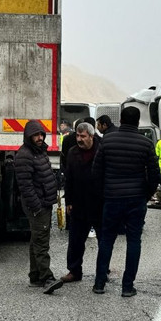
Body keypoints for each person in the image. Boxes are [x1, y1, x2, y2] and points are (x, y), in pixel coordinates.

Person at [92, 106, 160, 297]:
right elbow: (154, 174)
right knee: (134, 240)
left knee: (107, 240)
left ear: (120, 120)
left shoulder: (107, 140)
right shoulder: (146, 143)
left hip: (112, 198)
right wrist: (146, 194)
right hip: (136, 199)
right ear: (138, 122)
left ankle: (99, 283)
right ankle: (127, 286)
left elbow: (96, 171)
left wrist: (104, 193)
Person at [15, 119, 65, 294]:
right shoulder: (25, 155)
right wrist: (36, 207)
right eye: (35, 135)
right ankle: (47, 278)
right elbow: (25, 186)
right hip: (38, 206)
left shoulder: (39, 151)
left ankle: (35, 276)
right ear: (28, 136)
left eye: (41, 134)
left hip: (45, 203)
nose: (39, 138)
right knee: (41, 242)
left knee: (36, 239)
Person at [62, 121, 103, 282]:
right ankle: (74, 270)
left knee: (103, 240)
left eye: (83, 136)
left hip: (99, 202)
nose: (79, 139)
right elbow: (69, 178)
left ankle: (102, 271)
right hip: (79, 202)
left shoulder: (102, 149)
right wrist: (68, 201)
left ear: (91, 136)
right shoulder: (73, 152)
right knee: (75, 240)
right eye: (78, 136)